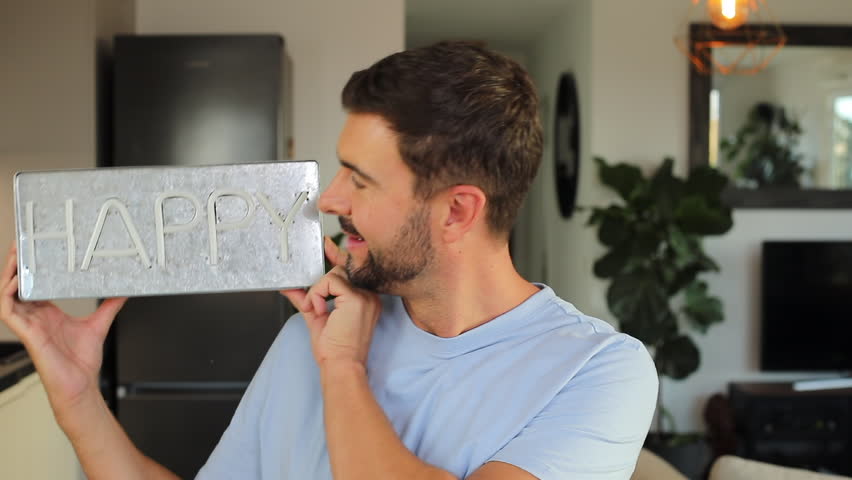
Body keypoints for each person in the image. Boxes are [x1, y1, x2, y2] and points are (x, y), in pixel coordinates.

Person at [1, 41, 658, 480]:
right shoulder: (307, 338)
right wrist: (78, 394)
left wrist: (343, 367)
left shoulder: (597, 372)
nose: (331, 200)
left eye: (359, 181)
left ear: (458, 211)